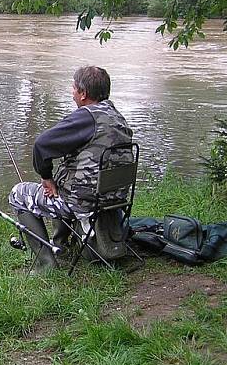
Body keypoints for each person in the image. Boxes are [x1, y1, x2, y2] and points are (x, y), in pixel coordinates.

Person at [8, 66, 133, 272]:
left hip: (85, 203)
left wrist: (46, 178)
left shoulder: (85, 117)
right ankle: (62, 245)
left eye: (74, 87)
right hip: (115, 199)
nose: (71, 91)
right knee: (65, 180)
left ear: (83, 94)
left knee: (19, 194)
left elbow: (41, 145)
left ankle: (45, 265)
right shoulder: (117, 117)